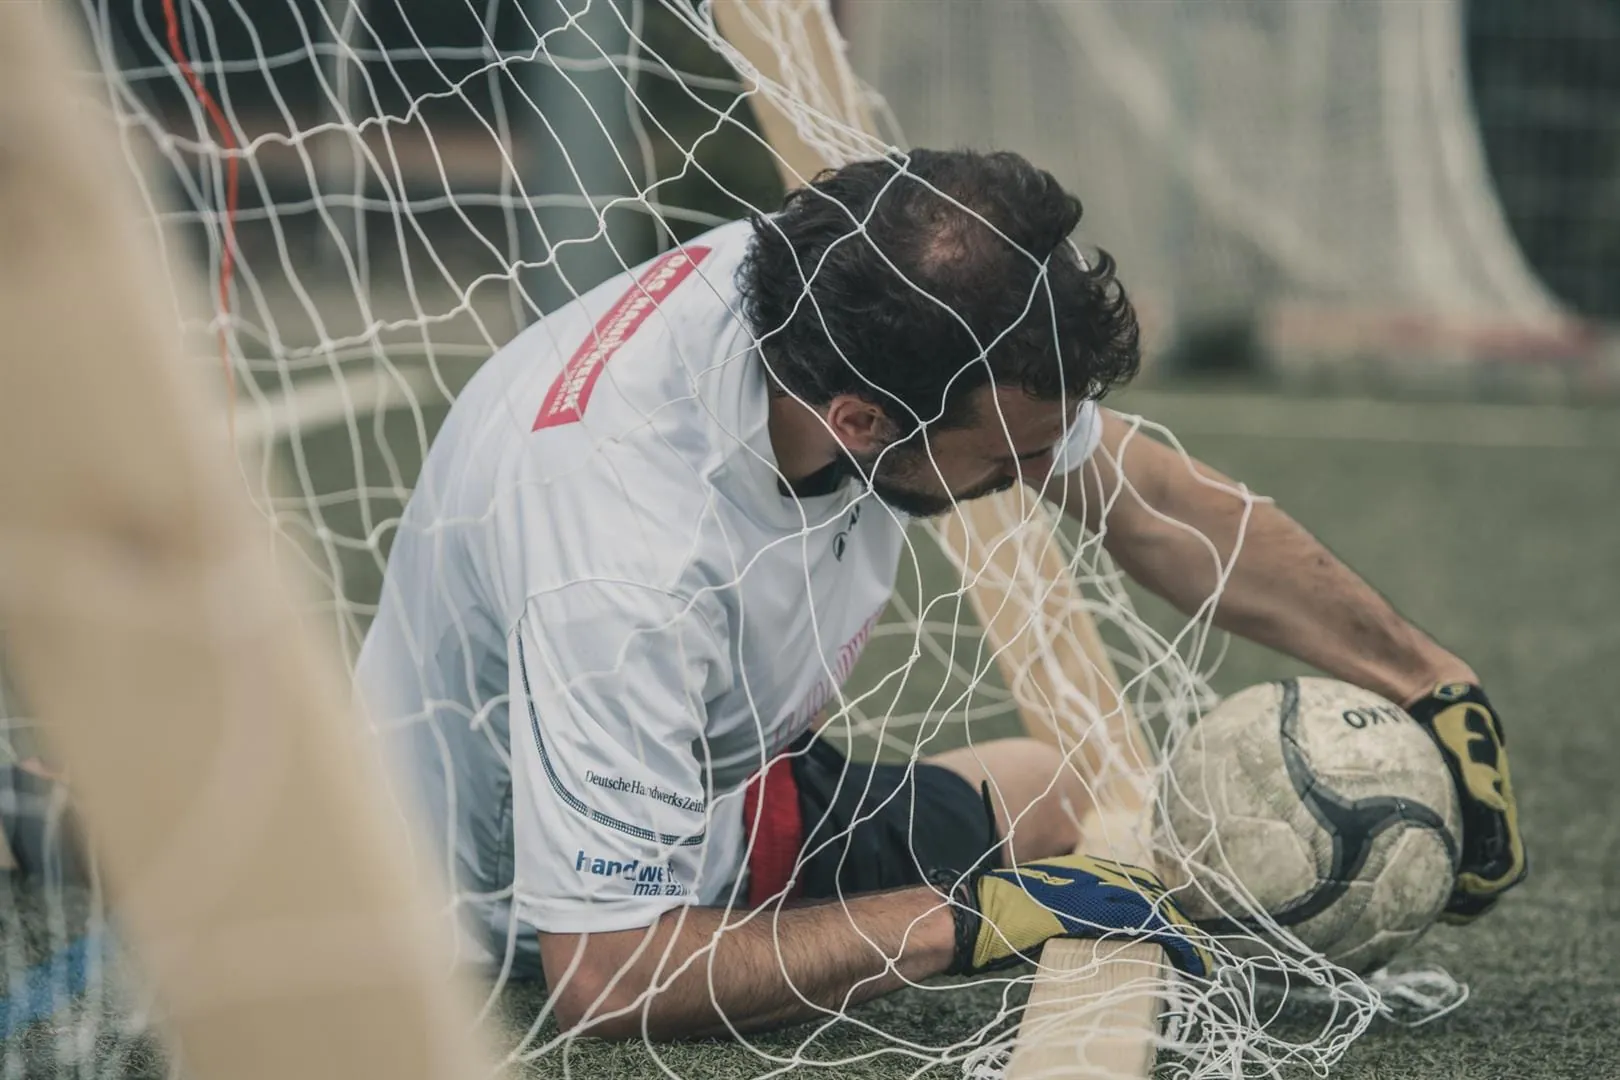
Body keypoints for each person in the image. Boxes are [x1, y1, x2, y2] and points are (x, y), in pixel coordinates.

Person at [2, 148, 1524, 1040]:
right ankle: (87, 807)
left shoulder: (856, 294)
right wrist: (961, 922)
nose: (1052, 467)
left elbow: (1156, 501)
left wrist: (1424, 672)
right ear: (864, 423)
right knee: (1013, 851)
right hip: (500, 889)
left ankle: (64, 797)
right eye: (1018, 448)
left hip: (715, 772)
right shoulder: (626, 556)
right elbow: (598, 971)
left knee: (1060, 787)